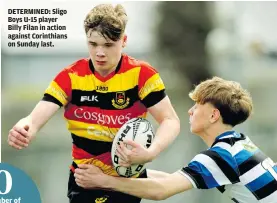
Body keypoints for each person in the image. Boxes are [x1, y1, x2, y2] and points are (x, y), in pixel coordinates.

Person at [7, 4, 180, 203]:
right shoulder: (70, 76)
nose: (99, 52)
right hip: (85, 180)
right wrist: (26, 128)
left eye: (108, 45)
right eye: (93, 44)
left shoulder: (142, 75)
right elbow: (37, 116)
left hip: (128, 179)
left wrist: (150, 152)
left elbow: (170, 120)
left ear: (123, 41)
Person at [74, 77, 277, 203]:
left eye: (196, 106)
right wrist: (115, 168)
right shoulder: (237, 144)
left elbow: (162, 190)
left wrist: (105, 181)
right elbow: (171, 179)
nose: (190, 111)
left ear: (213, 116)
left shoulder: (222, 155)